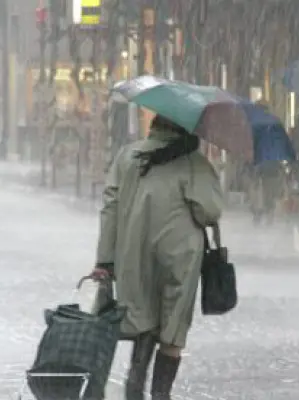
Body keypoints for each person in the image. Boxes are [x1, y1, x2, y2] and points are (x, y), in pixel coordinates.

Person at [91, 115, 223, 400]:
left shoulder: (129, 156)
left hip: (132, 254)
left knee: (142, 318)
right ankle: (161, 393)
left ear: (156, 126)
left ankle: (134, 386)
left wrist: (104, 261)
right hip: (180, 259)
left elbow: (110, 208)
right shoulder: (193, 162)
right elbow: (209, 212)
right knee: (172, 326)